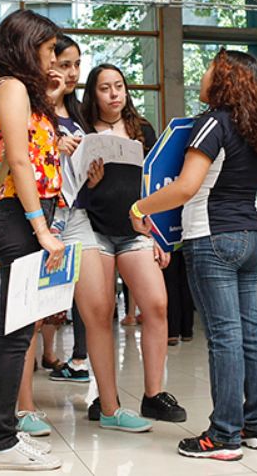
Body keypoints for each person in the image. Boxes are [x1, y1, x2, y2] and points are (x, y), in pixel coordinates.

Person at [130, 50, 257, 460]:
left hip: (213, 237)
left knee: (224, 337)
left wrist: (140, 207)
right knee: (250, 331)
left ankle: (223, 435)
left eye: (210, 70)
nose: (203, 75)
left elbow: (186, 186)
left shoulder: (212, 123)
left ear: (225, 79)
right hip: (252, 235)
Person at [80, 63, 186, 426]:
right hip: (92, 230)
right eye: (105, 88)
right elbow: (71, 190)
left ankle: (154, 395)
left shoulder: (142, 130)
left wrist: (159, 234)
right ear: (93, 94)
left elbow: (156, 185)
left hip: (134, 229)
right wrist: (91, 183)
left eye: (119, 86)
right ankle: (106, 398)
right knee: (100, 313)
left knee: (156, 304)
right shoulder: (82, 131)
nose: (114, 94)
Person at [0, 10, 65, 471]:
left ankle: (6, 436)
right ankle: (1, 443)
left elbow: (36, 149)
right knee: (15, 334)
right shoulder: (11, 87)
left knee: (20, 330)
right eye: (50, 49)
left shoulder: (23, 91)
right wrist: (41, 229)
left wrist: (50, 97)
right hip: (18, 217)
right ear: (28, 45)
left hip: (25, 216)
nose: (54, 58)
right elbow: (18, 161)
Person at [43, 33, 93, 385]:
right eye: (65, 64)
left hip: (77, 209)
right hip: (47, 212)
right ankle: (21, 367)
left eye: (77, 64)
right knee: (41, 290)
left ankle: (76, 358)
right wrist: (54, 146)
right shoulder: (38, 109)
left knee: (84, 290)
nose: (73, 72)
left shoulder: (77, 112)